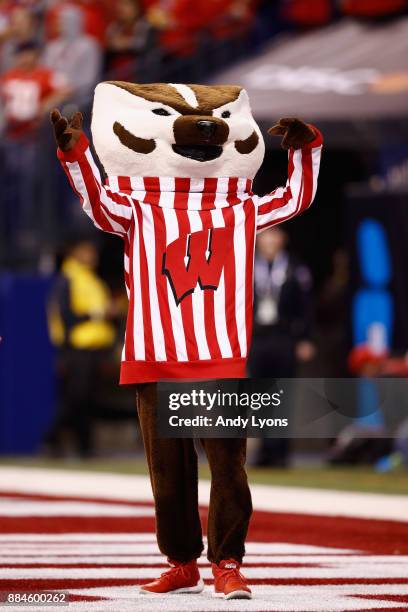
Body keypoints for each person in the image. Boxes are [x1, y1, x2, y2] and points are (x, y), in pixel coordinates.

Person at [248, 226, 315, 466]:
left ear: (283, 239)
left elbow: (306, 307)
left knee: (283, 395)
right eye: (265, 234)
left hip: (284, 337)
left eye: (274, 234)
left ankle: (280, 452)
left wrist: (306, 338)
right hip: (257, 338)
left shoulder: (295, 268)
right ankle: (264, 449)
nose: (269, 239)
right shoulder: (247, 265)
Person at [0, 40, 70, 264]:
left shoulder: (45, 75)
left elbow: (66, 88)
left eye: (28, 53)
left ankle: (27, 229)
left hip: (32, 138)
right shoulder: (9, 76)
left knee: (28, 182)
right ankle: (14, 226)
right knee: (12, 181)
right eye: (21, 54)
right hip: (12, 135)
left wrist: (45, 105)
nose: (24, 58)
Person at [47, 238, 117, 457]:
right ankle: (53, 439)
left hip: (96, 348)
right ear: (74, 253)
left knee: (88, 400)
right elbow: (66, 317)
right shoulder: (68, 279)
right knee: (76, 398)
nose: (92, 255)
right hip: (78, 349)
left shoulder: (93, 280)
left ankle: (85, 447)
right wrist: (98, 314)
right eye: (87, 251)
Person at [43, 4, 102, 104]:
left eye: (65, 21)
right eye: (60, 21)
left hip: (79, 98)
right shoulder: (52, 46)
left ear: (76, 22)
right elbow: (45, 72)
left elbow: (88, 79)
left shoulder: (89, 46)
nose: (61, 24)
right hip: (52, 94)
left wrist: (66, 91)